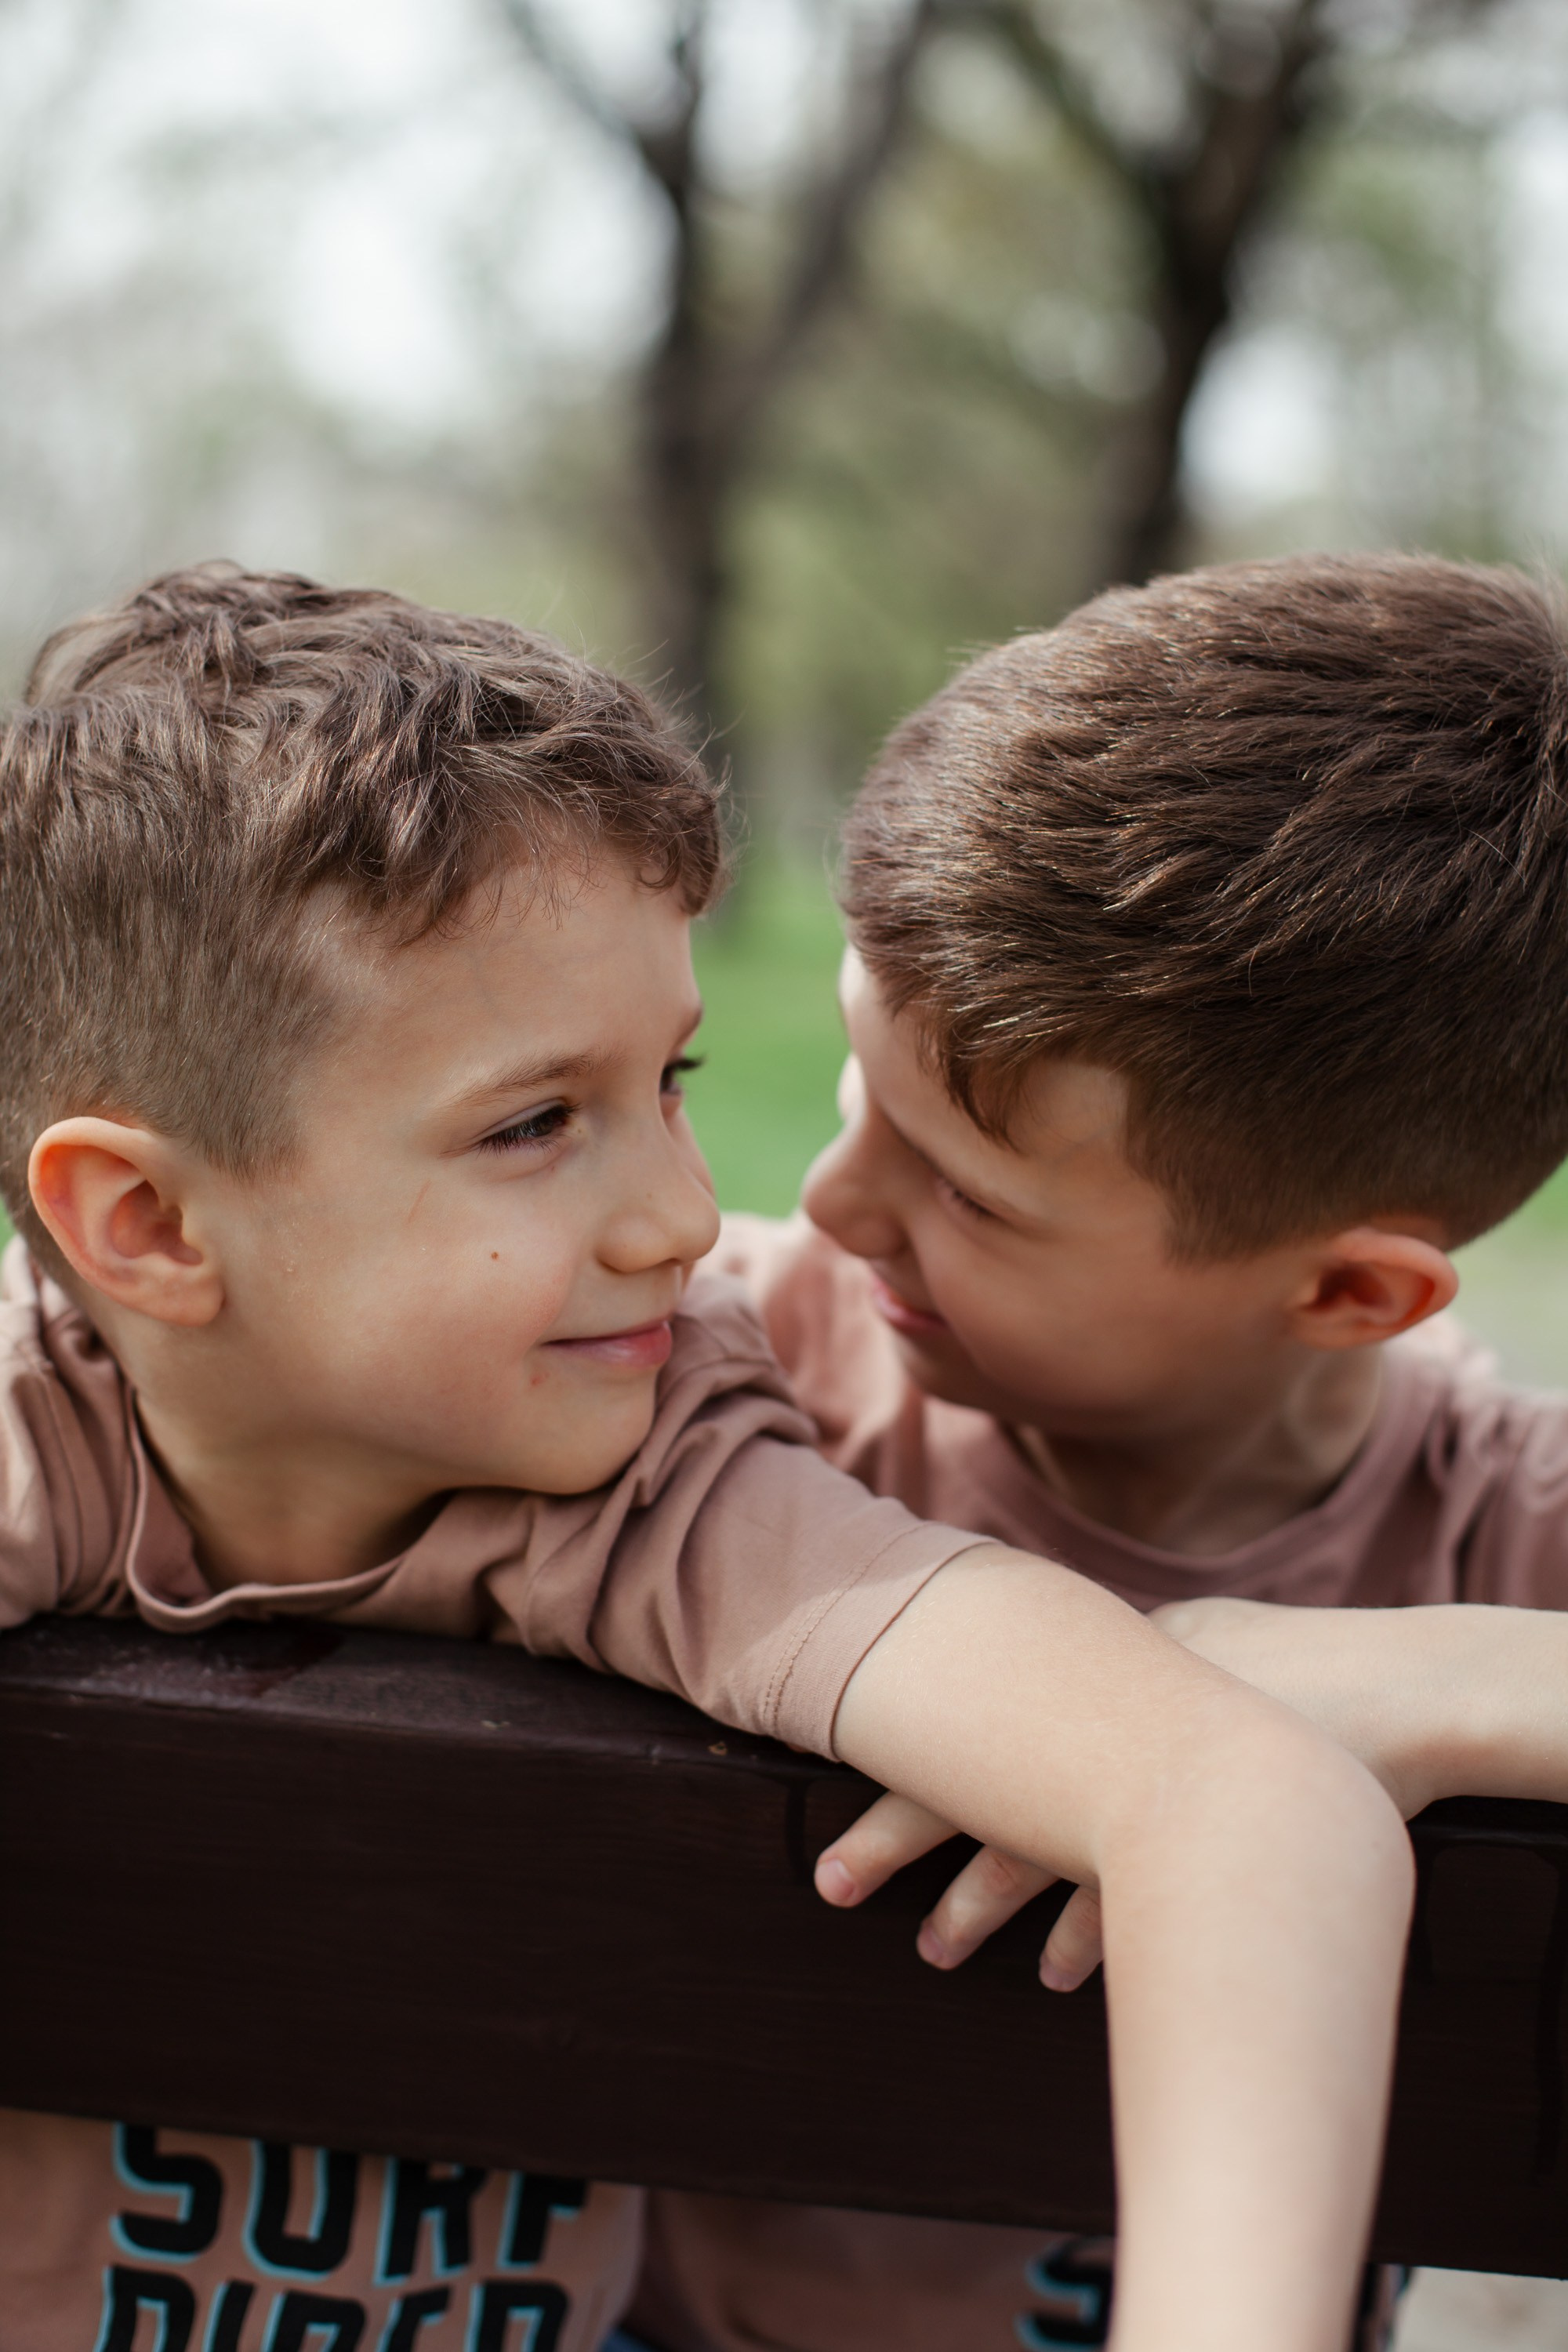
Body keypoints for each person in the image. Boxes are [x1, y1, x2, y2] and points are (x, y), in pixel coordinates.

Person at [0, 564, 1415, 2352]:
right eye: (534, 1124)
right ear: (143, 1223)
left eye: (670, 1081)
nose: (686, 1218)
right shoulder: (38, 1432)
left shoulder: (659, 1480)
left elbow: (1240, 1799)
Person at [629, 553, 1568, 2352]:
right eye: (851, 1090)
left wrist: (1446, 1676)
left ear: (1353, 1292)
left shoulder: (1495, 1531)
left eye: (965, 1189)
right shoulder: (705, 1366)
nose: (828, 1203)